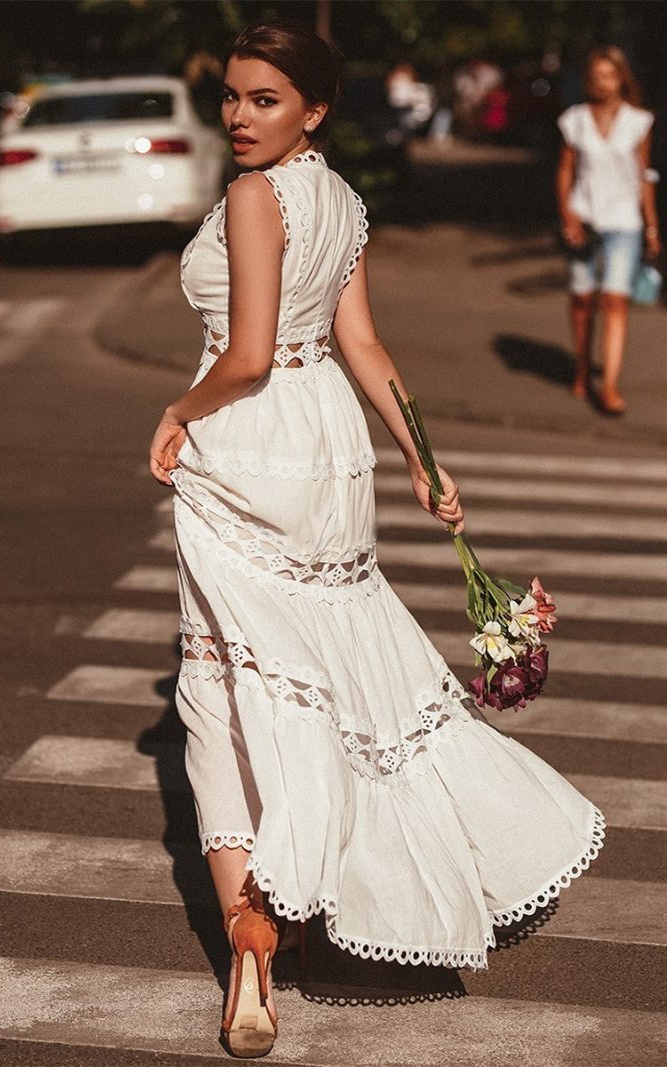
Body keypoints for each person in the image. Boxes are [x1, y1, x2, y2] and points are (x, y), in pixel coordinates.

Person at [149, 21, 605, 1060]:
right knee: (321, 676)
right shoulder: (342, 200)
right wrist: (418, 453)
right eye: (230, 97)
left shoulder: (253, 197)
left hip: (250, 448)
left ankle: (253, 943)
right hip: (330, 451)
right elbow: (360, 345)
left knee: (224, 692)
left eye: (263, 100)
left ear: (313, 108)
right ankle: (306, 901)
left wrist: (178, 405)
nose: (238, 117)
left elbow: (252, 352)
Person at [555, 46, 661, 414]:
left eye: (609, 75)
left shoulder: (638, 121)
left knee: (615, 301)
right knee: (583, 301)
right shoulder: (576, 119)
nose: (602, 83)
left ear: (622, 79)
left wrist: (652, 227)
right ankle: (582, 367)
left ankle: (610, 384)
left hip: (624, 223)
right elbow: (565, 170)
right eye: (596, 76)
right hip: (584, 219)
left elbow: (644, 175)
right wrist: (567, 216)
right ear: (589, 80)